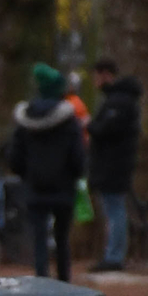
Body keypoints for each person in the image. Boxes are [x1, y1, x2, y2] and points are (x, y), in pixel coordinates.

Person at [8, 62, 87, 281]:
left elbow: (15, 157)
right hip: (63, 188)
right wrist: (76, 175)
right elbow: (78, 156)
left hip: (35, 187)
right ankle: (64, 281)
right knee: (62, 239)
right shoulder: (70, 121)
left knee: (39, 239)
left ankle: (42, 279)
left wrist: (26, 175)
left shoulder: (25, 121)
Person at [86, 58, 142, 270]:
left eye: (97, 76)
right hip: (113, 164)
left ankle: (114, 256)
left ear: (105, 75)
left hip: (113, 165)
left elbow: (105, 129)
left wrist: (90, 126)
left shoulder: (118, 103)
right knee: (114, 209)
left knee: (115, 210)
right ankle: (113, 253)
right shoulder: (120, 101)